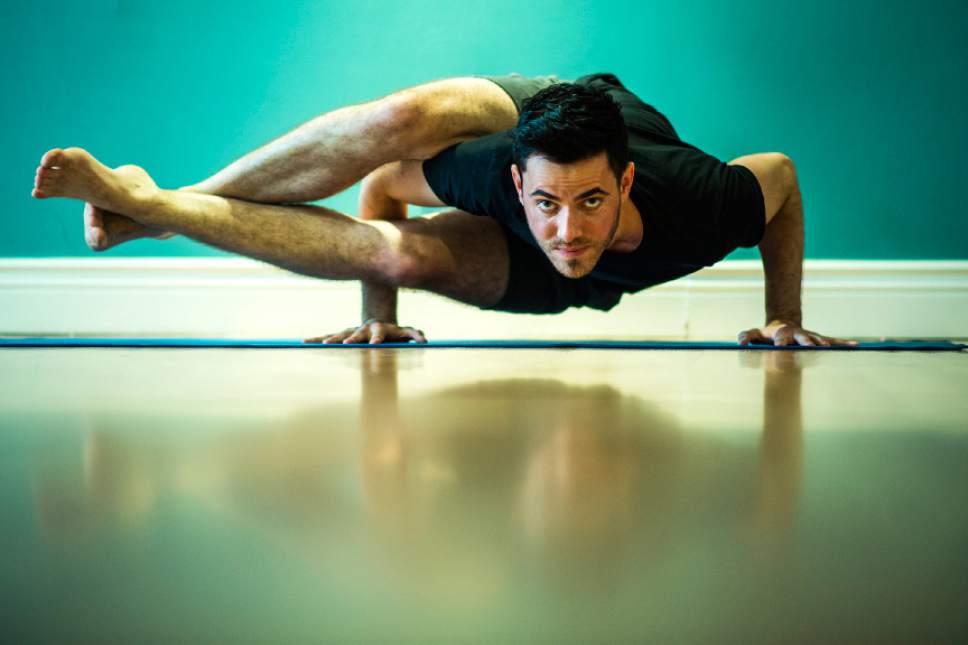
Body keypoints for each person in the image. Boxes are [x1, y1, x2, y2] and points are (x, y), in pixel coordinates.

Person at [31, 72, 856, 347]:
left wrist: (784, 313)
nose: (568, 229)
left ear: (628, 185)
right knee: (400, 126)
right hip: (535, 114)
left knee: (408, 253)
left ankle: (154, 207)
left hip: (567, 223)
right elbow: (388, 185)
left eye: (592, 203)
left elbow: (779, 177)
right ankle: (149, 202)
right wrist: (377, 314)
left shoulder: (707, 205)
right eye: (549, 205)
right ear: (518, 188)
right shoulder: (492, 172)